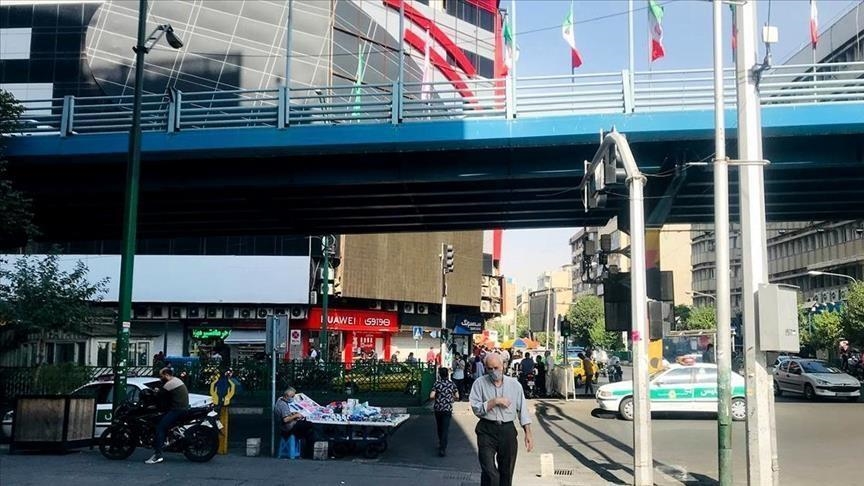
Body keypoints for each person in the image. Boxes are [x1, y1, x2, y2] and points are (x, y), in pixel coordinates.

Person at [469, 353, 533, 486]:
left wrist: (528, 432)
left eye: (496, 368)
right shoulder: (479, 383)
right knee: (489, 471)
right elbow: (476, 408)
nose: (493, 371)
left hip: (507, 430)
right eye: (490, 368)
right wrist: (494, 402)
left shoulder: (514, 385)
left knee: (506, 471)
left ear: (503, 366)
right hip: (486, 429)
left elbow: (522, 410)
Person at [146, 367, 190, 464]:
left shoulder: (170, 384)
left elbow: (160, 395)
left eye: (161, 376)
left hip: (177, 410)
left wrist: (156, 391)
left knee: (160, 428)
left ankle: (158, 455)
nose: (161, 378)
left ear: (166, 375)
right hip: (180, 408)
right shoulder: (176, 380)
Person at [274, 387, 316, 458]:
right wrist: (296, 415)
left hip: (287, 426)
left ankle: (307, 453)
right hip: (288, 428)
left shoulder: (280, 401)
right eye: (292, 396)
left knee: (309, 432)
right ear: (287, 396)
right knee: (310, 425)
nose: (293, 398)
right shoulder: (283, 405)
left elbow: (285, 414)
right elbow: (285, 419)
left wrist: (292, 414)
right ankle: (308, 454)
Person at [430, 367, 459, 457]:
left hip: (438, 408)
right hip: (447, 409)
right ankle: (443, 448)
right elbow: (457, 396)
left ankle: (440, 443)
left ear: (439, 374)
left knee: (439, 427)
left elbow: (431, 396)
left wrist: (438, 398)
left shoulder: (437, 384)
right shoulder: (452, 384)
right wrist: (450, 398)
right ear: (447, 374)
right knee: (445, 429)